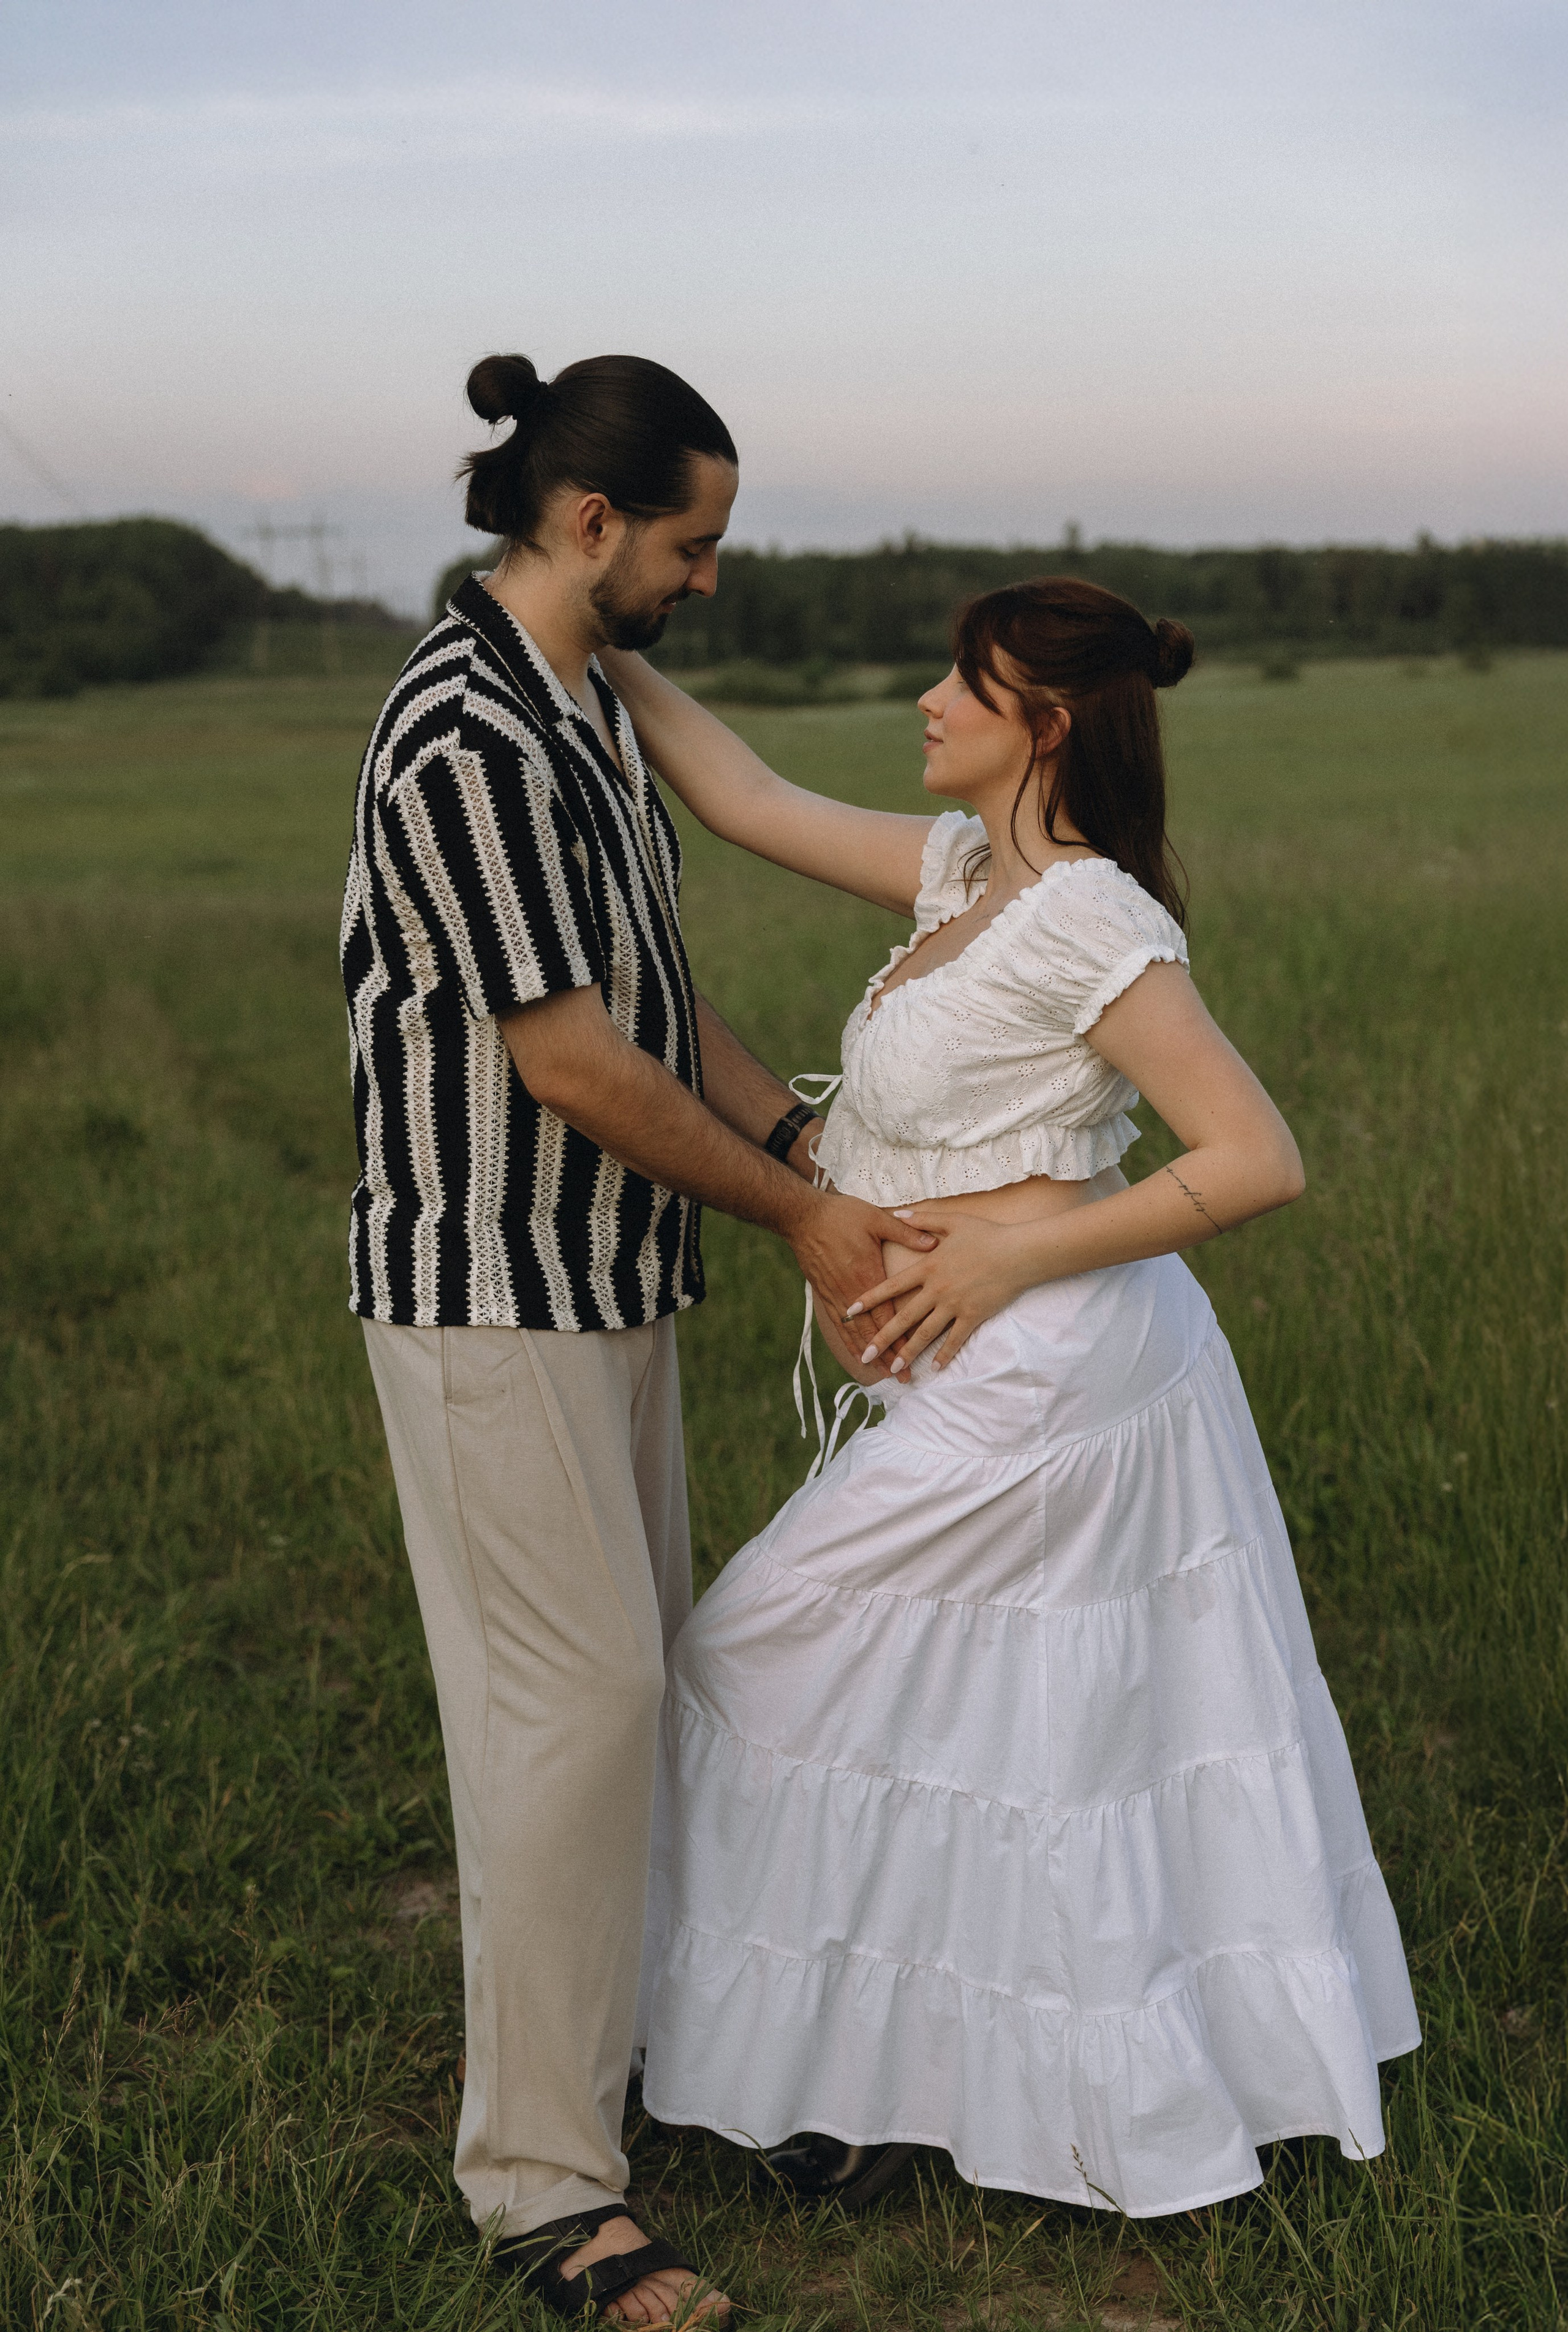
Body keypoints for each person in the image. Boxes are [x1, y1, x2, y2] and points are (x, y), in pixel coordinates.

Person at [603, 577, 1421, 2221]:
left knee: (763, 1650)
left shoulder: (1093, 921)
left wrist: (999, 1266)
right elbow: (747, 798)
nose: (925, 700)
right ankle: (903, 2085)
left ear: (1042, 725)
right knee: (983, 1727)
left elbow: (1256, 1159)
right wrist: (586, 645)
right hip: (1007, 1376)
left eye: (959, 684)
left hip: (1067, 1381)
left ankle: (936, 2078)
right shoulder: (965, 875)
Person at [340, 351, 932, 2326]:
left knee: (635, 1699)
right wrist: (805, 1217)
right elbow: (577, 1062)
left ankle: (679, 2068)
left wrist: (804, 1140)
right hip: (485, 1286)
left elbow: (661, 1011)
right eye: (694, 544)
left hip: (606, 1279)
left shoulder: (582, 705)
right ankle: (539, 2185)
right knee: (566, 1715)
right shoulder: (470, 735)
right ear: (591, 524)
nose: (710, 578)